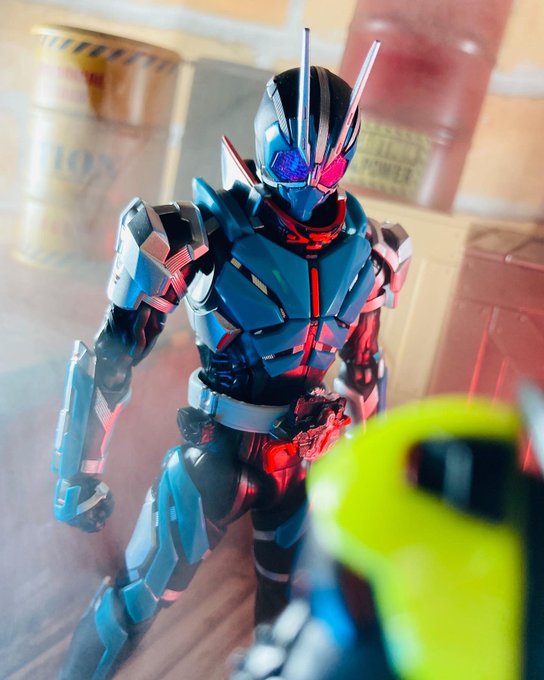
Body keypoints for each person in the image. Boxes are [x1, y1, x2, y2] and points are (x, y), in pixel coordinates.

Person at [52, 29, 410, 679]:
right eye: (295, 165)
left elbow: (363, 371)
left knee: (295, 626)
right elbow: (114, 352)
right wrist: (78, 469)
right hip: (217, 459)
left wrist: (376, 476)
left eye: (328, 171)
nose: (309, 188)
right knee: (136, 600)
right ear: (267, 148)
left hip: (306, 465)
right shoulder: (197, 236)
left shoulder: (371, 254)